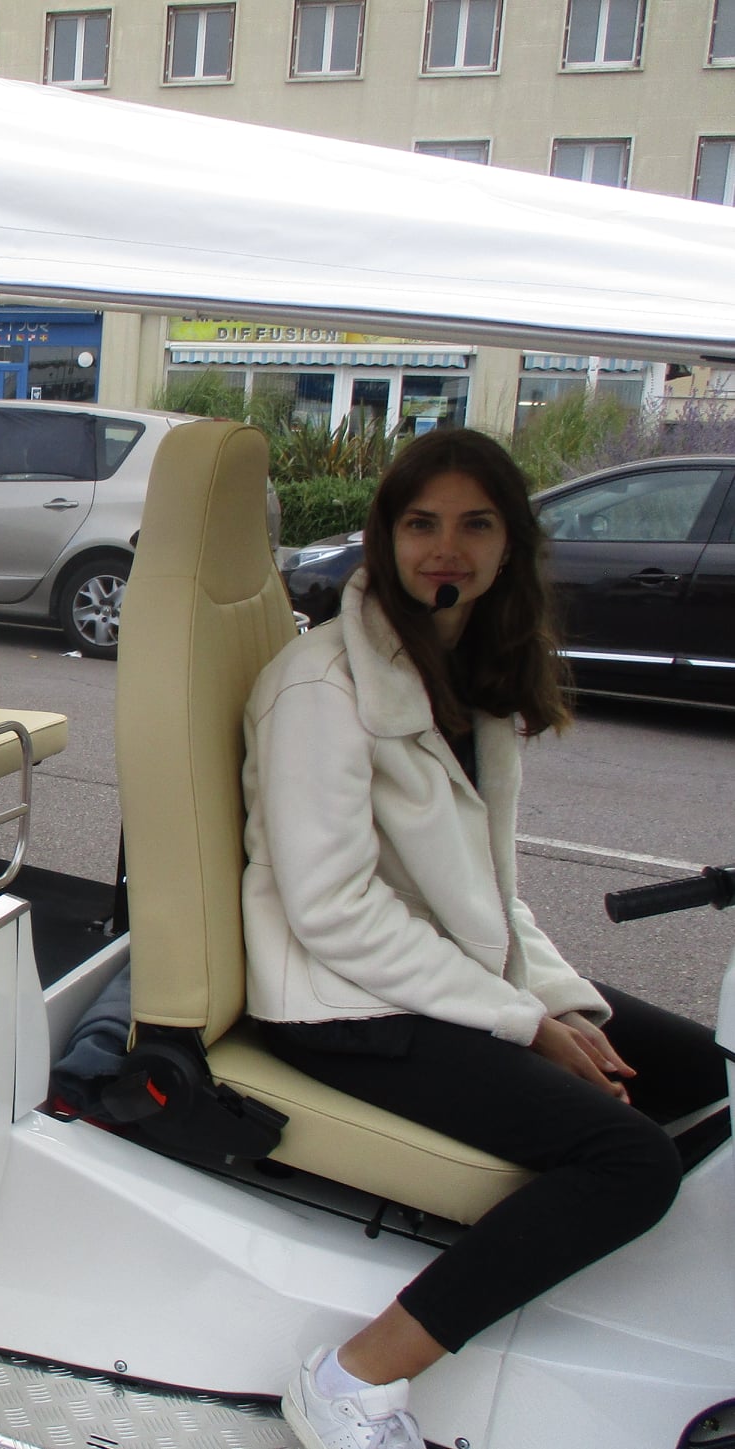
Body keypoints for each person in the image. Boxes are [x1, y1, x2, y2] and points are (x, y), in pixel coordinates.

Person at [239, 429, 725, 1449]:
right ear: (385, 537)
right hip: (334, 1001)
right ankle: (351, 1378)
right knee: (630, 1162)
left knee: (704, 1073)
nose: (445, 549)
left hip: (422, 978)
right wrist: (522, 1022)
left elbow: (490, 902)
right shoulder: (322, 687)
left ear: (511, 543)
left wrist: (556, 1000)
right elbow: (329, 909)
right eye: (421, 524)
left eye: (474, 523)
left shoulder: (467, 674)